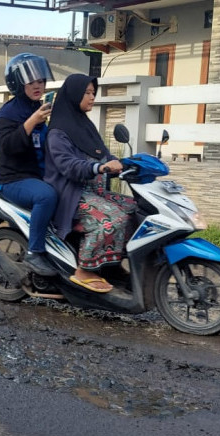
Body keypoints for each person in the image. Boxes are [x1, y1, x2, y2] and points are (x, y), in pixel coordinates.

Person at [44, 74, 136, 293]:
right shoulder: (57, 132)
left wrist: (128, 164)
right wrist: (99, 168)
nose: (92, 97)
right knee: (112, 218)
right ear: (74, 95)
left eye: (93, 92)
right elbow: (68, 166)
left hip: (95, 192)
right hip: (72, 195)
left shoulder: (85, 126)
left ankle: (110, 265)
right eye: (87, 93)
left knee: (135, 209)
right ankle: (84, 269)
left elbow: (104, 156)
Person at [0, 53, 58, 276]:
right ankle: (35, 252)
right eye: (31, 81)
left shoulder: (39, 107)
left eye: (40, 81)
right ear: (18, 83)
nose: (37, 85)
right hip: (13, 179)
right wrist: (32, 121)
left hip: (37, 176)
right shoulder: (8, 113)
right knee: (46, 196)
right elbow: (8, 147)